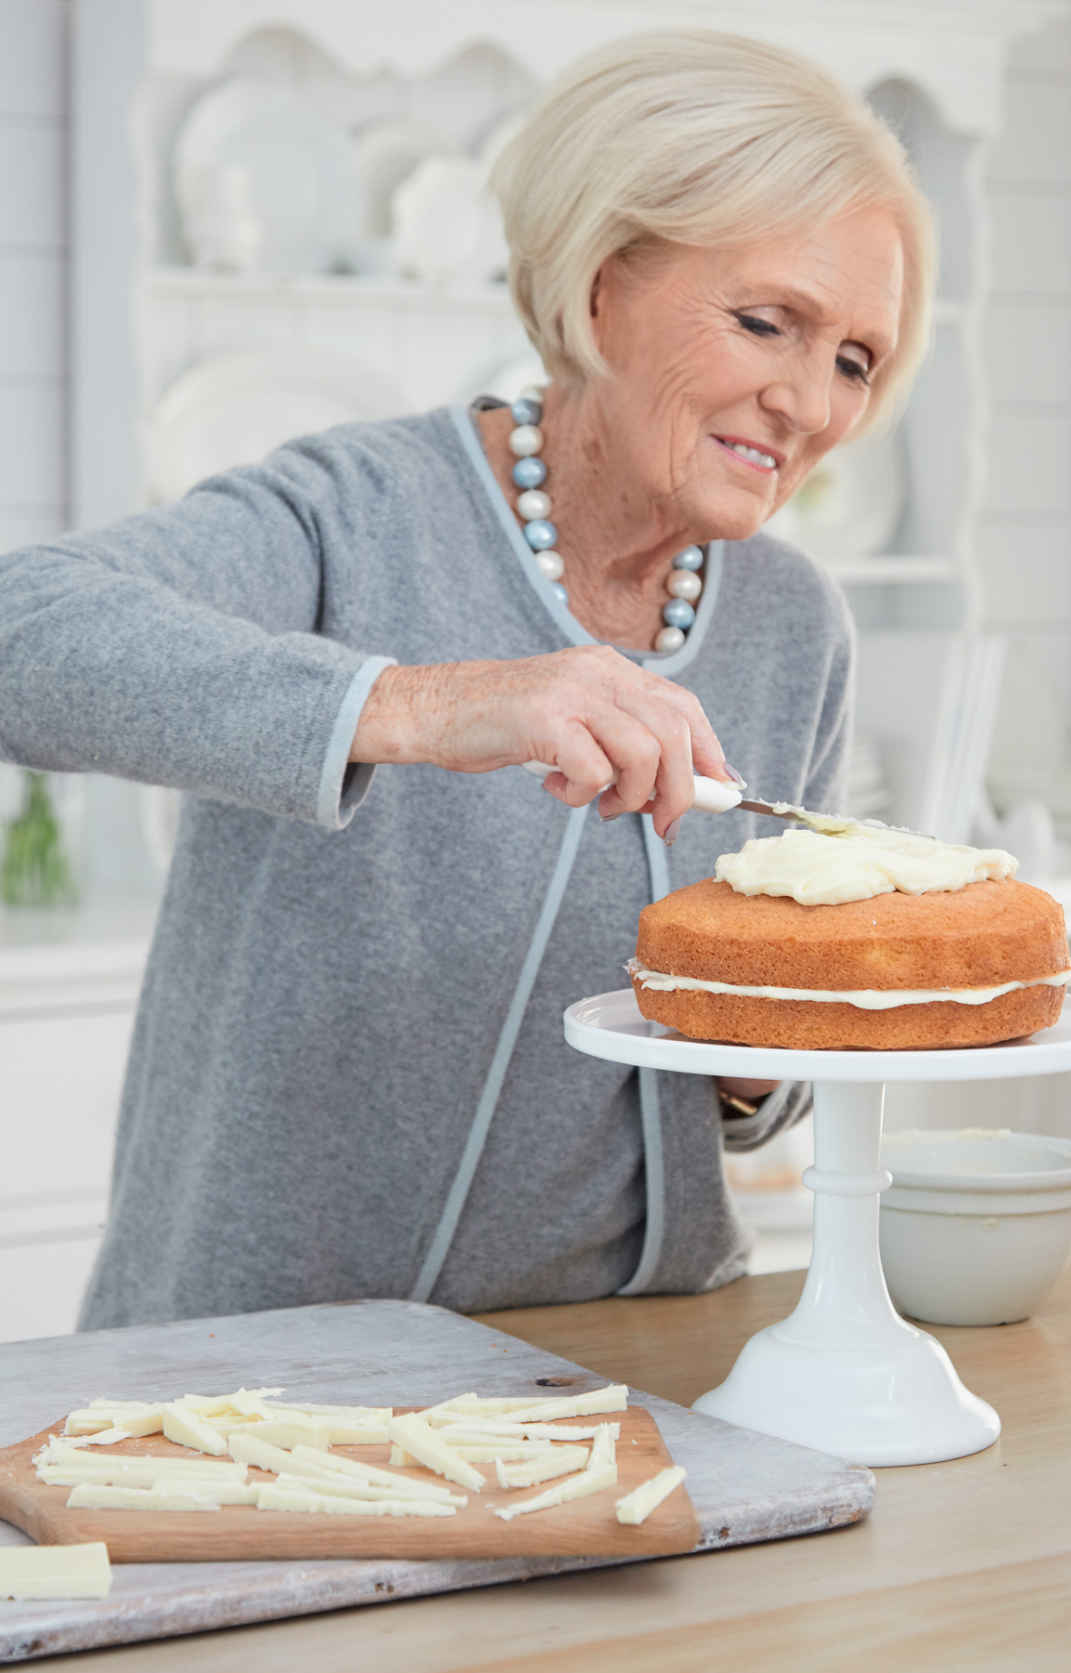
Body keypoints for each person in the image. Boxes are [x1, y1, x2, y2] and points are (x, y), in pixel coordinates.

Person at [0, 29, 933, 1329]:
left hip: (627, 1356)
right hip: (259, 1371)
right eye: (766, 321)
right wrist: (422, 706)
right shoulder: (355, 512)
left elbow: (756, 1088)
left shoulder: (793, 623)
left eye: (853, 360)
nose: (807, 402)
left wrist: (765, 1041)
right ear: (601, 289)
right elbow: (21, 632)